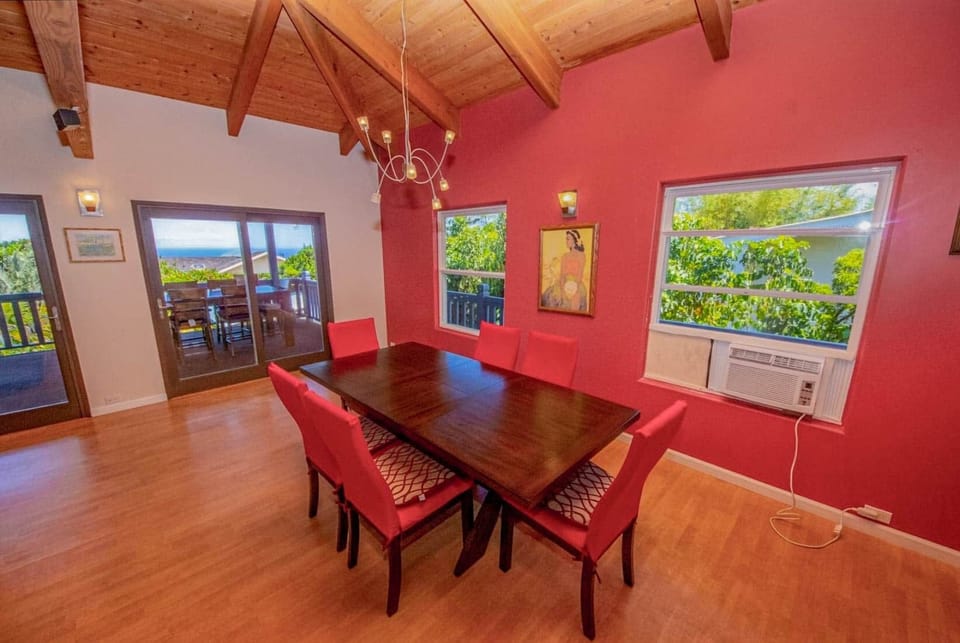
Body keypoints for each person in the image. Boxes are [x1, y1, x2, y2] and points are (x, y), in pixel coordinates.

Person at [541, 229, 587, 311]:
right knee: (554, 295)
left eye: (568, 239)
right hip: (563, 281)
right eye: (566, 239)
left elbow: (580, 274)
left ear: (574, 240)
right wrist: (562, 287)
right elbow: (562, 274)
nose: (566, 241)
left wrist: (573, 287)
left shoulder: (581, 256)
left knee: (577, 296)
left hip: (576, 283)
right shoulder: (565, 256)